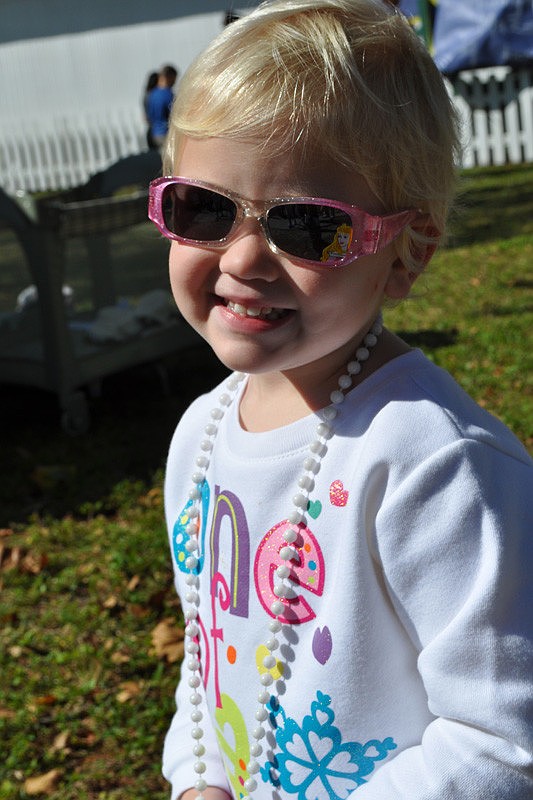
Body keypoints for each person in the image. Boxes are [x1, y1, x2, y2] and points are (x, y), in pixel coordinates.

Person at [147, 1, 533, 799]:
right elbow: (208, 652)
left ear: (405, 254)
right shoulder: (200, 433)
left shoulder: (435, 465)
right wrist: (197, 778)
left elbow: (503, 743)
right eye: (204, 209)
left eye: (311, 227)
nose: (245, 257)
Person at [146, 64, 178, 150]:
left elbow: (149, 116)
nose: (175, 82)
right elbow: (175, 114)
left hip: (154, 133)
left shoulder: (152, 94)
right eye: (174, 78)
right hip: (165, 134)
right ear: (169, 77)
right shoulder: (168, 94)